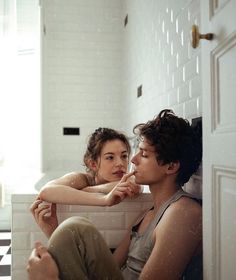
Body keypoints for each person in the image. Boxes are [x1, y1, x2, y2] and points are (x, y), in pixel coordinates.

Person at [27, 109, 202, 280]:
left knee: (75, 228)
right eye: (110, 157)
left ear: (171, 167)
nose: (132, 161)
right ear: (93, 163)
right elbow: (104, 269)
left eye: (144, 154)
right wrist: (56, 235)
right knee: (74, 230)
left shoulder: (183, 213)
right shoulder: (147, 214)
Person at [30, 127, 141, 238]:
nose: (120, 163)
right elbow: (46, 192)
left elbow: (135, 186)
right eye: (110, 157)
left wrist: (91, 190)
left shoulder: (129, 179)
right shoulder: (82, 179)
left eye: (124, 156)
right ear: (93, 164)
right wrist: (104, 199)